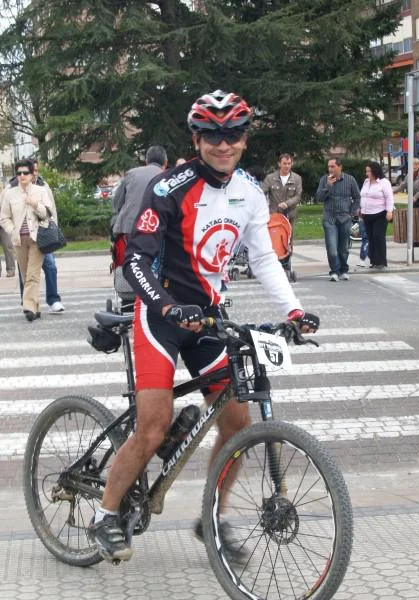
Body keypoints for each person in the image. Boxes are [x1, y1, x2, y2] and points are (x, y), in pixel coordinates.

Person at [89, 89, 320, 563]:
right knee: (152, 427)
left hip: (208, 317)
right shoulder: (169, 188)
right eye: (212, 136)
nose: (223, 144)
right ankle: (106, 515)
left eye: (232, 135)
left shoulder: (250, 193)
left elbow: (263, 258)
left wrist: (294, 312)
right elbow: (136, 261)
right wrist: (167, 306)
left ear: (244, 139)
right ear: (196, 140)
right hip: (161, 316)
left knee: (236, 423)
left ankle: (212, 518)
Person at [0, 159, 53, 321]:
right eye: (19, 173)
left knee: (32, 274)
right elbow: (4, 218)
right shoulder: (9, 194)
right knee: (25, 274)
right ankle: (35, 307)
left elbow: (48, 214)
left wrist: (35, 204)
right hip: (18, 240)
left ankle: (28, 307)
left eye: (25, 173)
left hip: (37, 239)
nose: (22, 175)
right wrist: (12, 231)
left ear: (31, 174)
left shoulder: (40, 191)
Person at [10, 160, 65, 313]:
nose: (34, 173)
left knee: (50, 266)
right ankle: (28, 303)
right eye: (31, 170)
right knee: (26, 272)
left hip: (42, 235)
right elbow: (6, 213)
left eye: (35, 170)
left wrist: (53, 229)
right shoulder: (12, 188)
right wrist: (12, 231)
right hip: (21, 238)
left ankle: (53, 300)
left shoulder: (43, 186)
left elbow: (51, 210)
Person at [316, 158, 360, 281]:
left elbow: (357, 197)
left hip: (345, 218)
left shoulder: (350, 180)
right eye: (329, 166)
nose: (330, 169)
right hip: (329, 218)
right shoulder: (324, 180)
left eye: (333, 166)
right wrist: (328, 186)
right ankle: (334, 271)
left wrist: (351, 213)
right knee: (332, 247)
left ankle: (344, 270)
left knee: (344, 248)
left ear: (340, 167)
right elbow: (319, 198)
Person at [111, 145, 168, 237]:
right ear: (165, 162)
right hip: (155, 231)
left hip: (128, 229)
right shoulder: (167, 178)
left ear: (146, 161)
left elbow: (117, 202)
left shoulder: (131, 174)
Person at [393, 158, 419, 247]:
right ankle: (416, 241)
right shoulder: (408, 176)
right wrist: (391, 191)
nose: (415, 166)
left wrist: (416, 196)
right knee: (414, 221)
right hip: (413, 203)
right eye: (413, 164)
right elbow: (402, 186)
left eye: (416, 164)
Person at [360, 161, 394, 270]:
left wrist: (389, 211)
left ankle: (381, 261)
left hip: (380, 213)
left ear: (375, 171)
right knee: (370, 237)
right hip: (367, 214)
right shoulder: (366, 182)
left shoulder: (384, 182)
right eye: (366, 171)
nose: (367, 174)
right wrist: (360, 208)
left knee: (378, 236)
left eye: (369, 171)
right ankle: (373, 261)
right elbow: (363, 196)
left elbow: (389, 197)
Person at [263, 153, 302, 231]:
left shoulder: (297, 178)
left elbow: (298, 196)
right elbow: (262, 193)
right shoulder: (270, 178)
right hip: (274, 215)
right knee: (275, 237)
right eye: (284, 163)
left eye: (289, 163)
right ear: (279, 164)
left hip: (290, 215)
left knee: (288, 237)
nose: (287, 166)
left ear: (292, 164)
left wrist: (287, 204)